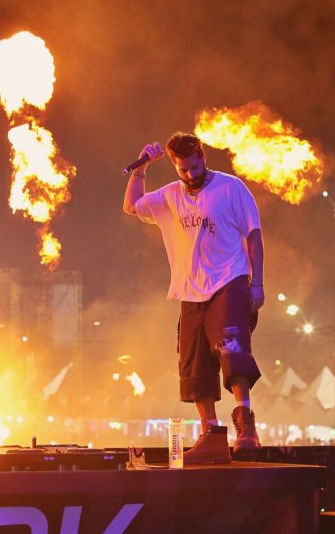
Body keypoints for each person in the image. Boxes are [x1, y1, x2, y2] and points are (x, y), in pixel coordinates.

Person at [123, 132, 264, 464]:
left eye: (194, 167)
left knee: (232, 348)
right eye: (182, 169)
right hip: (190, 290)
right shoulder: (171, 195)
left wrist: (257, 283)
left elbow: (254, 235)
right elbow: (131, 205)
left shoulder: (231, 187)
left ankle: (246, 426)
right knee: (193, 364)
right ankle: (211, 435)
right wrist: (141, 168)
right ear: (175, 166)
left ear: (203, 157)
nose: (189, 174)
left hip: (229, 280)